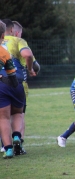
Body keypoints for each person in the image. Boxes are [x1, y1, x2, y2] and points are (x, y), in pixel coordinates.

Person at [0, 20, 25, 159]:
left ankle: (8, 149)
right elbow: (11, 72)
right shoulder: (5, 52)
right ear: (3, 35)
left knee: (3, 118)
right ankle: (16, 135)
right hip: (13, 83)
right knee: (17, 113)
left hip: (1, 86)